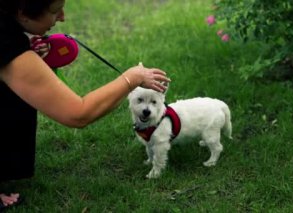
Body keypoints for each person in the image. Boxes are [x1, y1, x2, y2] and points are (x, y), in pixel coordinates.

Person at [0, 0, 170, 210]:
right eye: (54, 11)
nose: (62, 17)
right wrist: (131, 78)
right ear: (22, 13)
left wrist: (31, 57)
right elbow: (78, 114)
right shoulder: (5, 42)